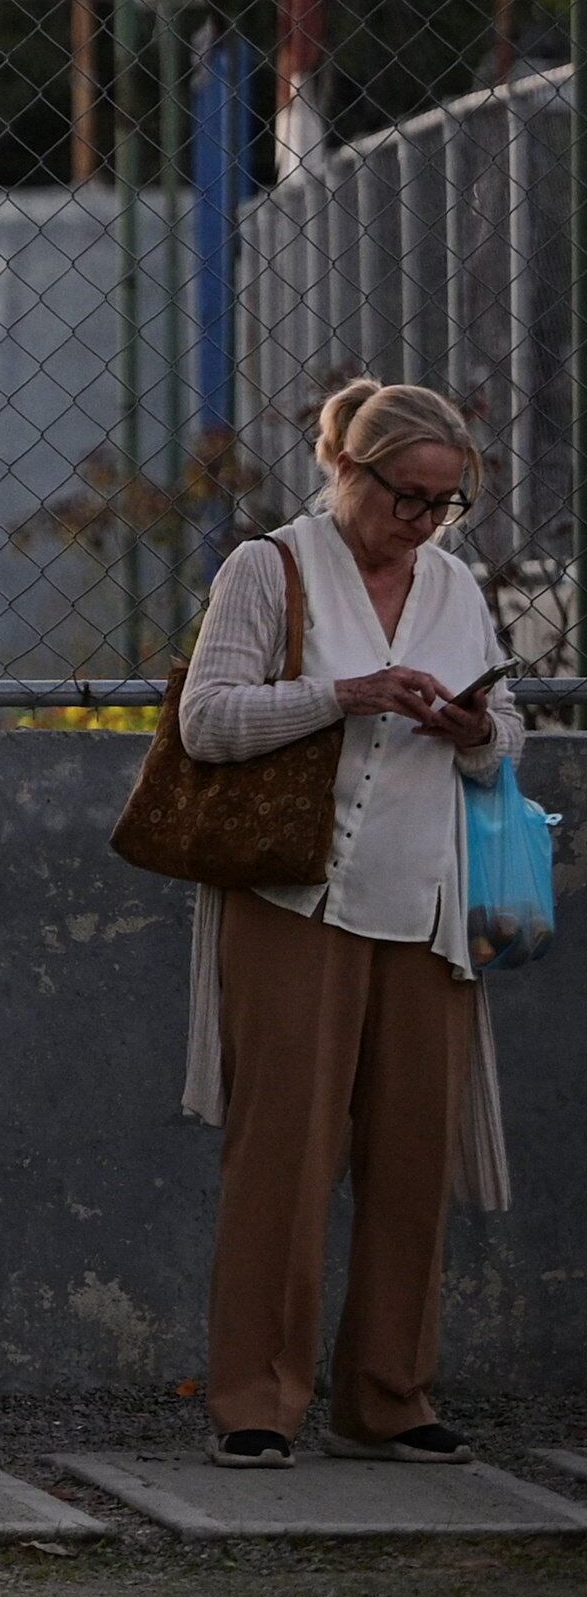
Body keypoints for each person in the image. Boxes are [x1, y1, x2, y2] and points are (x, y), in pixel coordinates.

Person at [174, 378, 514, 1469]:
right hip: (294, 893)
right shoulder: (269, 566)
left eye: (440, 502)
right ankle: (257, 1397)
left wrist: (471, 727)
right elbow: (206, 719)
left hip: (423, 900)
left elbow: (504, 733)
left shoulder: (454, 585)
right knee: (281, 1150)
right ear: (348, 472)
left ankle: (387, 1392)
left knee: (410, 1151)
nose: (418, 520)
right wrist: (344, 692)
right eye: (404, 495)